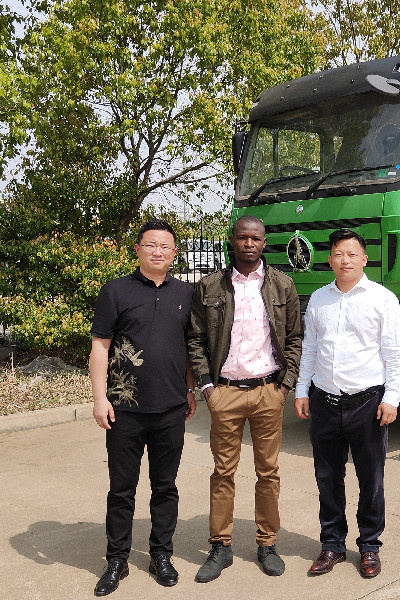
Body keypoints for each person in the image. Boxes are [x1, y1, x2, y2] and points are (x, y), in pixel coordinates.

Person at [188, 215, 302, 582]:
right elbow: (195, 339)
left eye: (255, 238)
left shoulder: (282, 284)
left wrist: (285, 386)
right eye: (242, 237)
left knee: (268, 472)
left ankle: (267, 544)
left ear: (264, 242)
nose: (249, 243)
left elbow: (296, 338)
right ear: (233, 241)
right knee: (223, 472)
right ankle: (220, 546)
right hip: (226, 393)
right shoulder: (210, 286)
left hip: (269, 391)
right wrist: (207, 387)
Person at [89, 219, 196, 596]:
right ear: (137, 249)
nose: (157, 251)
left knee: (164, 486)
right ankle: (116, 559)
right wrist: (100, 398)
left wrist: (188, 390)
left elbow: (187, 348)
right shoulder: (116, 291)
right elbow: (100, 347)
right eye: (150, 245)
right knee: (122, 489)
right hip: (125, 410)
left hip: (170, 409)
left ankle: (160, 554)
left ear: (174, 253)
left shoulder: (186, 292)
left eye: (165, 246)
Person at [295, 228, 400, 578]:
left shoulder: (382, 299)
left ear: (364, 259)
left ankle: (370, 547)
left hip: (367, 403)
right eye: (338, 254)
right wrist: (302, 390)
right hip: (324, 402)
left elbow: (393, 352)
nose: (345, 260)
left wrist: (392, 397)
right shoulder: (318, 299)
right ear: (329, 259)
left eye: (352, 254)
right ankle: (332, 545)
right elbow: (310, 348)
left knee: (370, 478)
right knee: (327, 478)